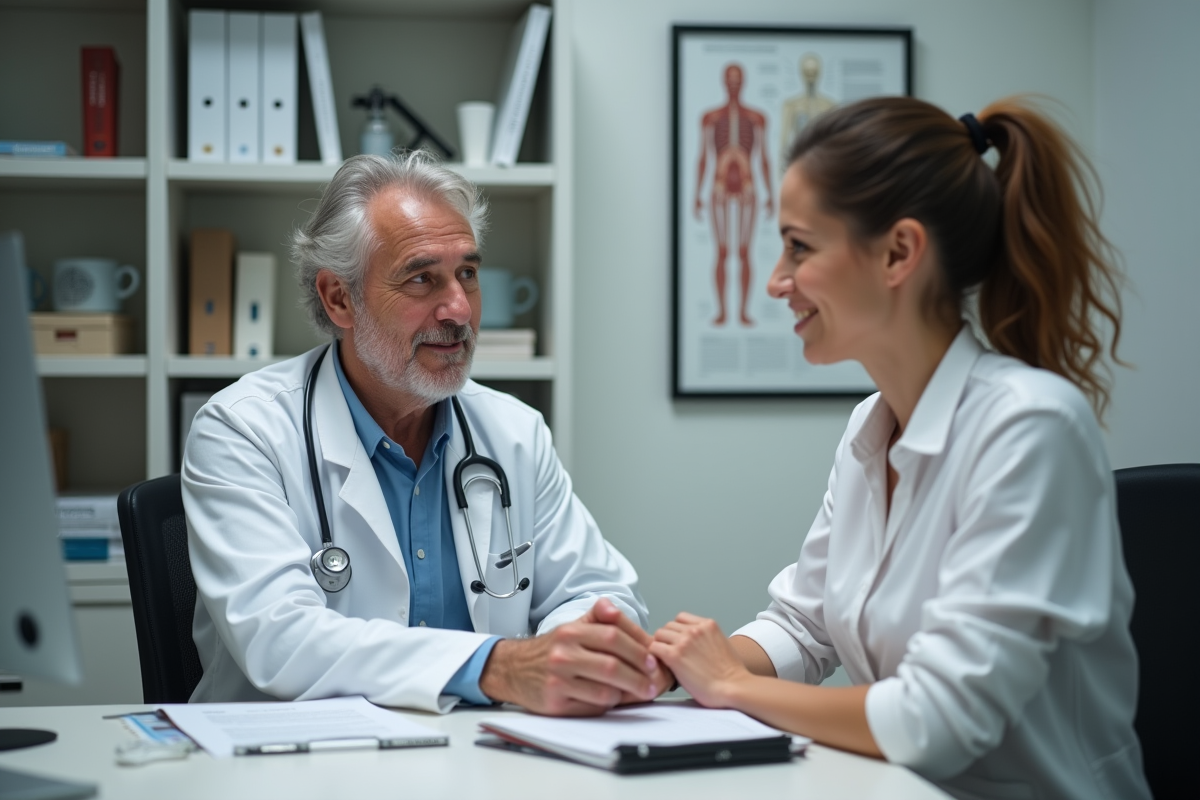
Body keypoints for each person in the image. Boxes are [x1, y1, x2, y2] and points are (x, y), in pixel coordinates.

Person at [650, 97, 1151, 800]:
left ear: (898, 253)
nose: (775, 281)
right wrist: (669, 667)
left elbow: (934, 718)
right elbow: (806, 626)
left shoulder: (1031, 428)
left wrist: (729, 684)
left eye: (799, 246)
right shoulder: (871, 426)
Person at [183, 151, 670, 716]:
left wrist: (579, 644)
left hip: (479, 760)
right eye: (422, 279)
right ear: (339, 298)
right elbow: (281, 641)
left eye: (467, 273)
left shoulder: (513, 432)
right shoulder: (243, 429)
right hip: (296, 766)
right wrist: (501, 667)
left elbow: (597, 591)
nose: (460, 309)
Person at [693, 63, 773, 327]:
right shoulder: (711, 118)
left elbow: (763, 157)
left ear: (745, 82)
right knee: (722, 250)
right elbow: (703, 157)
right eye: (730, 79)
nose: (734, 84)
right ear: (723, 82)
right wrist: (697, 193)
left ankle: (742, 313)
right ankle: (722, 312)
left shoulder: (757, 118)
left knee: (745, 251)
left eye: (738, 80)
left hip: (749, 188)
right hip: (718, 187)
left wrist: (771, 193)